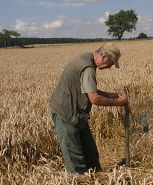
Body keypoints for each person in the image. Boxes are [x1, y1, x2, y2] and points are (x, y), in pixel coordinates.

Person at [50, 43, 128, 174]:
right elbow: (94, 99)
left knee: (91, 155)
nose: (109, 68)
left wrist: (109, 95)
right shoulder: (87, 68)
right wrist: (118, 102)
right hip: (67, 115)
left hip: (78, 115)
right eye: (111, 63)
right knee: (76, 162)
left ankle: (95, 181)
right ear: (103, 57)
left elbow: (89, 90)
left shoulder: (87, 59)